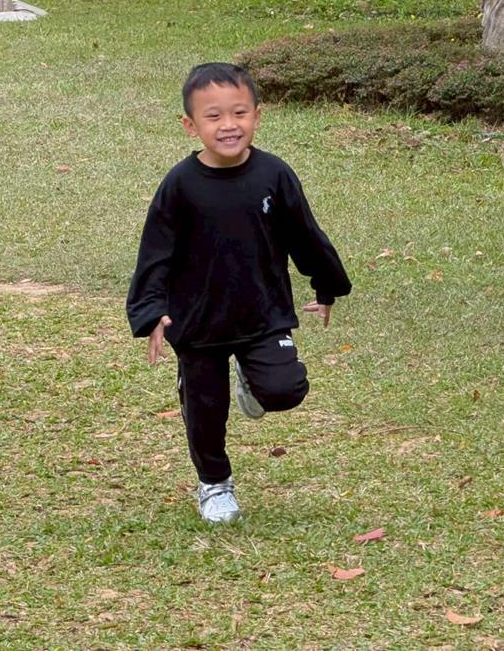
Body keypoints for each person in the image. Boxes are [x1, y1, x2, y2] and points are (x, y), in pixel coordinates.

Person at [126, 62, 352, 523]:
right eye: (213, 116)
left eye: (239, 113)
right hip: (198, 322)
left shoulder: (274, 174)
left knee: (286, 389)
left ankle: (253, 377)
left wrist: (327, 284)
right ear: (191, 125)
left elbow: (305, 235)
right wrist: (151, 311)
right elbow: (155, 251)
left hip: (262, 313)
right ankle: (214, 484)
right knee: (207, 410)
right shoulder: (180, 184)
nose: (228, 125)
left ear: (257, 116)